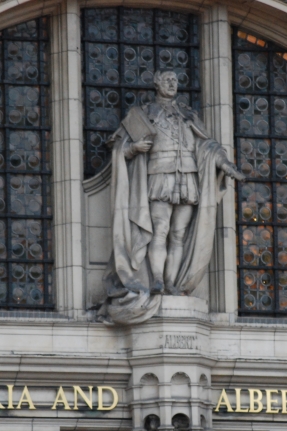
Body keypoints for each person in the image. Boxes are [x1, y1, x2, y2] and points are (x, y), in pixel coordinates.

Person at [97, 70, 244, 325]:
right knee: (160, 230)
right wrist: (133, 148)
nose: (172, 83)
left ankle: (172, 284)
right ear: (156, 84)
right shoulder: (142, 114)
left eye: (175, 80)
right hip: (159, 175)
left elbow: (207, 145)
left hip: (187, 177)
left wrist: (224, 163)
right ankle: (156, 279)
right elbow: (116, 145)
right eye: (167, 80)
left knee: (178, 235)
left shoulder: (188, 115)